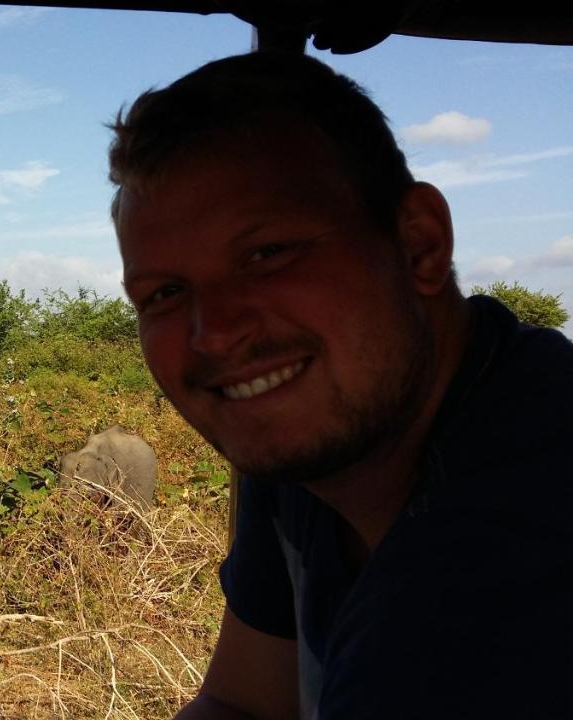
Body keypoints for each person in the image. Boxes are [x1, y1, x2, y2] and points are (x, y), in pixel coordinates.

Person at [108, 52, 573, 719]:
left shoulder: (508, 579)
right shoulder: (312, 446)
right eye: (166, 293)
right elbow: (242, 704)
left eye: (267, 254)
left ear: (418, 245)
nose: (214, 333)